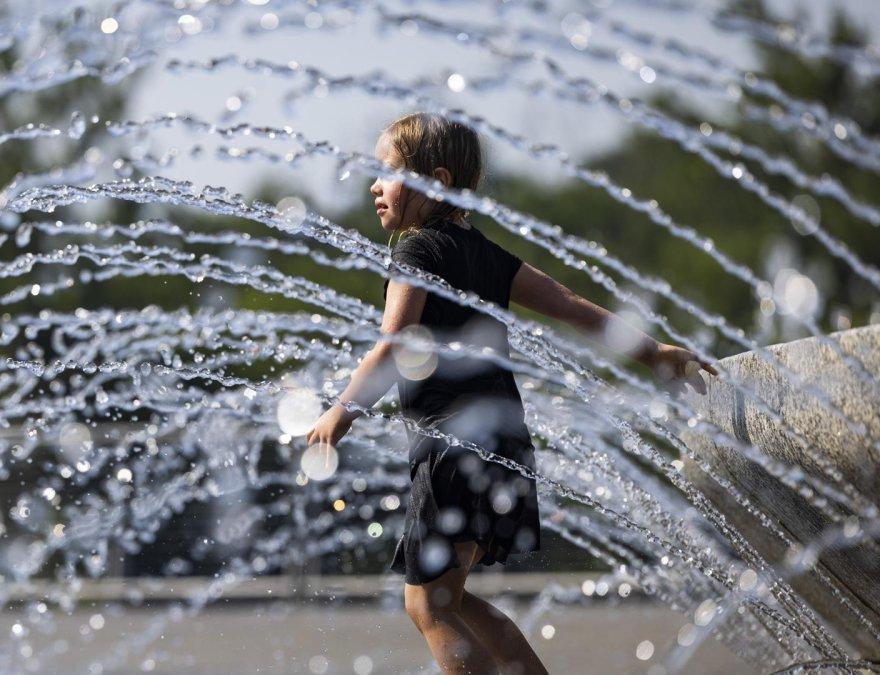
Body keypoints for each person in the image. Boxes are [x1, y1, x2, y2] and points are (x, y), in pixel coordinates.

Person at [304, 112, 717, 675]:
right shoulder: (485, 254)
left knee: (426, 603)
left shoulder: (416, 250)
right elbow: (569, 303)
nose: (375, 185)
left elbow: (394, 343)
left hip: (451, 447)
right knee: (451, 598)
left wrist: (341, 410)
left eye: (388, 171)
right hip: (503, 443)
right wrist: (655, 352)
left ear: (437, 182)